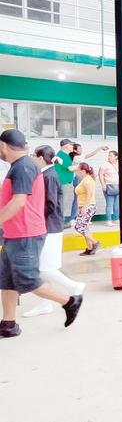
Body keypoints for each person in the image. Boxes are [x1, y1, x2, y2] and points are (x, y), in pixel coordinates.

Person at [0, 129, 83, 338]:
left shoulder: (23, 167)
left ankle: (70, 301)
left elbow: (18, 202)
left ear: (3, 146)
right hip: (14, 233)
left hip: (25, 234)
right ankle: (8, 324)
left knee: (28, 281)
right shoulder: (20, 166)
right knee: (7, 280)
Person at [23, 145, 85, 318]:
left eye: (33, 155)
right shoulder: (47, 174)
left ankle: (74, 286)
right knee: (45, 266)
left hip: (49, 226)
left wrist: (37, 220)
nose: (32, 158)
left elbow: (50, 204)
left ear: (40, 158)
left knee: (44, 269)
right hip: (50, 225)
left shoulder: (49, 176)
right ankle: (45, 304)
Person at [68, 143, 109, 226]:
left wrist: (100, 148)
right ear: (75, 150)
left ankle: (82, 217)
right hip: (79, 179)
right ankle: (73, 218)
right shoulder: (76, 158)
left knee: (84, 197)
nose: (81, 150)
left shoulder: (77, 157)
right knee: (78, 198)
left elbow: (90, 155)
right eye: (79, 149)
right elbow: (91, 154)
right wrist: (100, 147)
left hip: (82, 178)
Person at [74, 163, 100, 256]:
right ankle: (89, 248)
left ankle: (95, 242)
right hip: (85, 206)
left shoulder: (88, 180)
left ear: (83, 171)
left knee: (79, 227)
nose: (76, 172)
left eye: (77, 170)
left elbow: (89, 194)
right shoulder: (85, 179)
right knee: (85, 228)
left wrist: (84, 207)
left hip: (88, 207)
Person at [54, 139, 75, 227]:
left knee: (61, 202)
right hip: (64, 183)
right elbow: (70, 168)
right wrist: (82, 167)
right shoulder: (63, 155)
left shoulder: (61, 155)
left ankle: (59, 222)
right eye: (71, 145)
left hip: (62, 182)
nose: (73, 147)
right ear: (66, 145)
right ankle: (60, 223)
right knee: (63, 203)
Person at [98, 150, 120, 226]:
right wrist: (103, 185)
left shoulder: (119, 164)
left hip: (118, 186)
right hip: (109, 186)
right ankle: (108, 220)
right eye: (109, 155)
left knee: (117, 205)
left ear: (116, 157)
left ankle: (116, 219)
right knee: (109, 204)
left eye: (111, 155)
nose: (109, 157)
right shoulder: (105, 164)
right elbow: (100, 174)